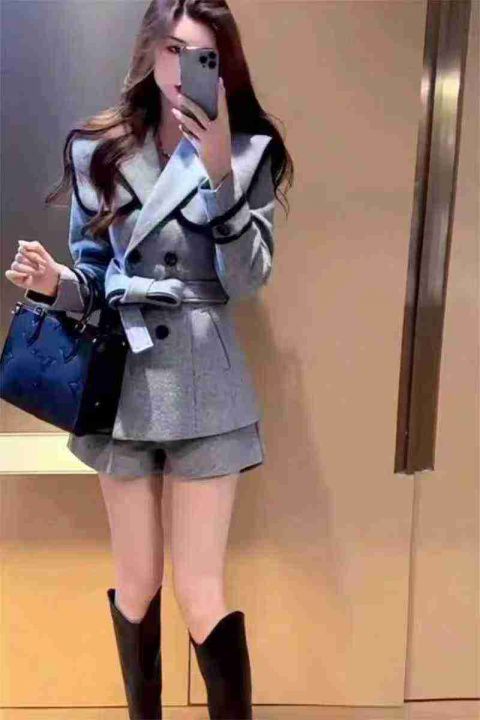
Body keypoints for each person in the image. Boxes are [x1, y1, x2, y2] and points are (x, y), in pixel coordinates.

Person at [6, 0, 293, 717]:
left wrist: (220, 170)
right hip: (123, 386)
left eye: (201, 56)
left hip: (207, 386)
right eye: (171, 50)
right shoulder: (98, 150)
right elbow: (96, 279)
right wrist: (56, 283)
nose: (181, 69)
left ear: (222, 66)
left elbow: (247, 282)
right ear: (148, 52)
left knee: (202, 592)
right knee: (135, 583)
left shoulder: (250, 151)